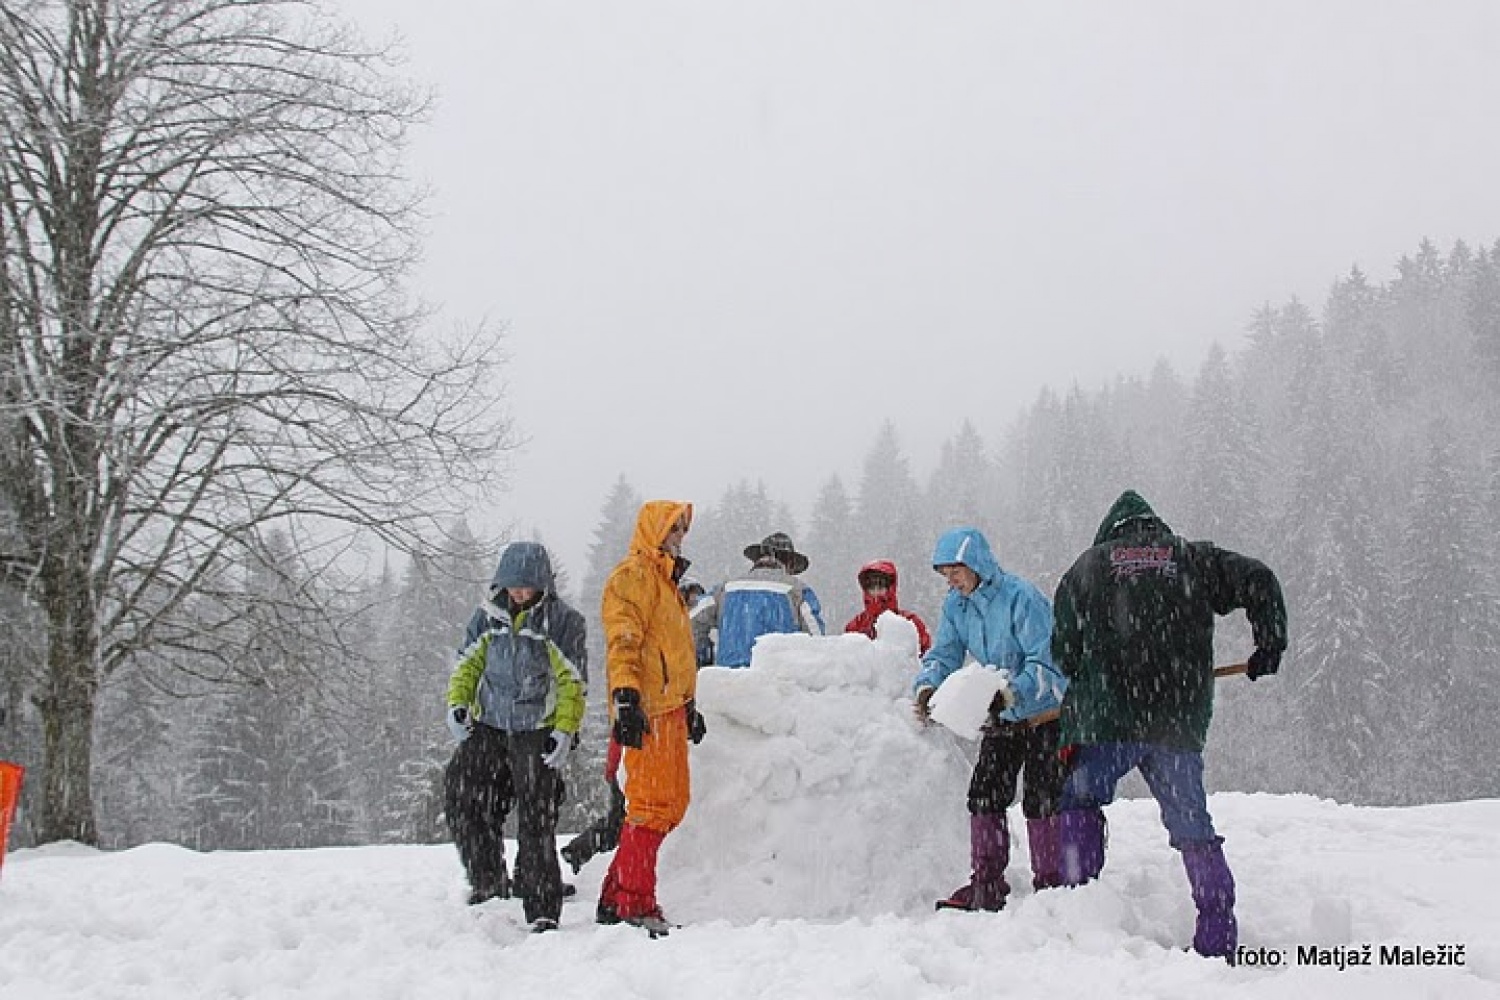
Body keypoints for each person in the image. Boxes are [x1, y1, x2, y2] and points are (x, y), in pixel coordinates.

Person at [1050, 490, 1287, 961]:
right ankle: (1217, 934)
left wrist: (1089, 677)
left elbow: (1064, 649)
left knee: (1077, 800)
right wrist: (1270, 643)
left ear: (1111, 531)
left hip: (1106, 722)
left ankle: (1080, 907)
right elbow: (1258, 578)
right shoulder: (1193, 558)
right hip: (1176, 721)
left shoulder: (1088, 567)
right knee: (1192, 824)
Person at [912, 527, 1068, 912]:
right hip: (999, 716)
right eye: (945, 574)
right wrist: (928, 687)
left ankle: (1051, 887)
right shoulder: (956, 606)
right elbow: (944, 653)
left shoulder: (1022, 597)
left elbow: (1047, 660)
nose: (952, 581)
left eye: (956, 572)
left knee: (1041, 797)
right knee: (984, 793)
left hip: (1044, 715)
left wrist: (1013, 692)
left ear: (977, 564)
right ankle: (986, 883)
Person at [443, 541, 586, 933]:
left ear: (543, 585)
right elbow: (466, 667)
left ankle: (540, 902)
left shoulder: (561, 623)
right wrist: (458, 704)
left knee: (536, 817)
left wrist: (564, 729)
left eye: (528, 586)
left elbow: (572, 682)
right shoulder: (486, 619)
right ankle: (488, 880)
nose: (520, 594)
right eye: (513, 586)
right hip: (488, 725)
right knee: (463, 799)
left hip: (535, 728)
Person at [597, 501, 707, 936]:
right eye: (672, 527)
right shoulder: (634, 576)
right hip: (646, 711)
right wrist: (626, 697)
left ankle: (615, 895)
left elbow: (676, 655)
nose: (679, 535)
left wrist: (690, 702)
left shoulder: (668, 581)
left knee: (670, 803)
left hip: (671, 708)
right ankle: (633, 902)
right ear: (652, 529)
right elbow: (623, 640)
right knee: (651, 806)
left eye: (682, 528)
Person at [705, 532, 825, 668]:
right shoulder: (799, 591)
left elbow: (692, 622)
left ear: (757, 559)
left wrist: (702, 658)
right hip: (775, 682)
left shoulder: (724, 589)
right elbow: (817, 640)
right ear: (789, 563)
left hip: (729, 681)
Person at [843, 559, 932, 654]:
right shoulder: (856, 625)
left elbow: (926, 655)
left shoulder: (910, 622)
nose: (876, 592)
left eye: (881, 586)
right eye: (871, 588)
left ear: (891, 588)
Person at [679, 576, 717, 667]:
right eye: (693, 593)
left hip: (702, 655)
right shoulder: (675, 617)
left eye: (698, 593)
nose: (696, 597)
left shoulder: (703, 611)